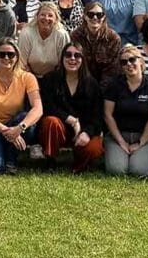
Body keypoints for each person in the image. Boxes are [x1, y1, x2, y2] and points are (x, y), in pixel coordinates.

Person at [0, 37, 42, 174]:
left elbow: (38, 108)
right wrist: (8, 132)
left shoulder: (27, 77)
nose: (6, 58)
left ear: (17, 56)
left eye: (10, 54)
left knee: (28, 120)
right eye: (1, 54)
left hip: (14, 124)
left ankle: (11, 159)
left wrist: (20, 128)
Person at [38, 42, 104, 172]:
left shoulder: (92, 84)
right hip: (59, 129)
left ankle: (79, 165)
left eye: (77, 55)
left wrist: (86, 133)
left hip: (83, 130)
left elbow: (97, 116)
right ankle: (51, 160)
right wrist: (72, 120)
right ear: (62, 58)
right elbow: (47, 107)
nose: (72, 59)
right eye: (68, 55)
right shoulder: (50, 79)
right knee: (50, 122)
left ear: (82, 59)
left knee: (94, 148)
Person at [102, 45, 148, 176]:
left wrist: (140, 143)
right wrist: (121, 142)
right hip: (118, 135)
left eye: (132, 59)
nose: (129, 64)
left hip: (146, 136)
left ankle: (141, 156)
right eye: (124, 62)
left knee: (138, 171)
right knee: (116, 170)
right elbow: (108, 115)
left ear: (140, 61)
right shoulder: (114, 85)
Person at [70, 2, 121, 86]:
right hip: (81, 82)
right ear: (85, 16)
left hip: (106, 84)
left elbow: (112, 69)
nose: (95, 18)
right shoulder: (76, 36)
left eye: (99, 15)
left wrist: (100, 89)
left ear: (104, 17)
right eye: (91, 14)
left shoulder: (113, 38)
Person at [18, 3, 70, 78]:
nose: (46, 18)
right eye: (43, 15)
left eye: (50, 15)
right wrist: (32, 79)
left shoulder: (62, 35)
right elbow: (22, 63)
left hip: (55, 76)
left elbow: (63, 63)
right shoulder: (26, 33)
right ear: (37, 17)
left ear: (56, 19)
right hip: (29, 75)